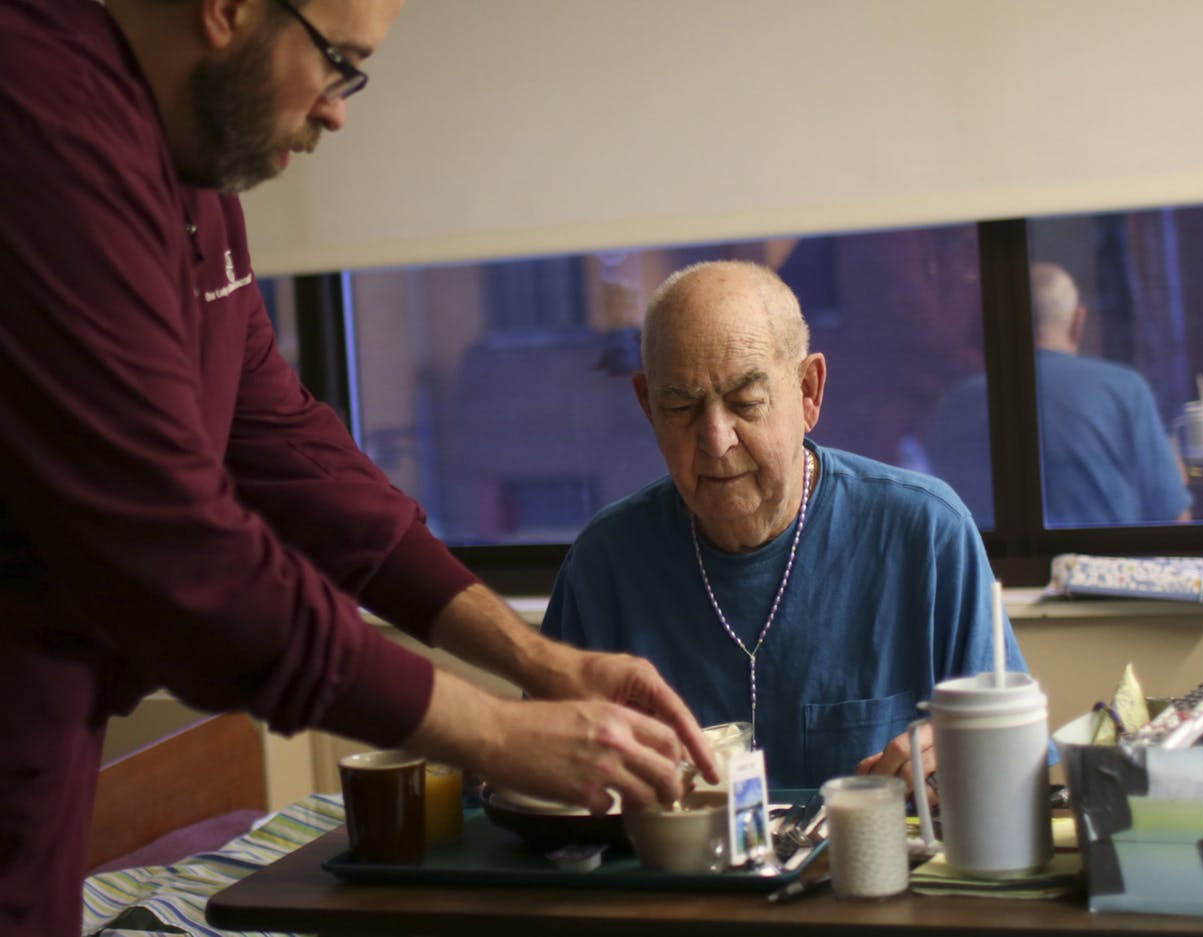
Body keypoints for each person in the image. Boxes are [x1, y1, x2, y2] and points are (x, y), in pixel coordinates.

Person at [0, 2, 714, 932]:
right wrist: (497, 734)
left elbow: (286, 447)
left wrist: (542, 662)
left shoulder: (192, 173)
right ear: (227, 10)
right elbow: (184, 557)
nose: (340, 111)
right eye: (339, 62)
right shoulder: (41, 128)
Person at [541, 260, 1033, 790]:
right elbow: (543, 777)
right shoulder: (606, 562)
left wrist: (971, 761)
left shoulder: (925, 534)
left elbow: (1020, 766)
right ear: (647, 405)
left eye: (746, 403)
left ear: (808, 391)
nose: (716, 440)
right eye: (680, 406)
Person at [926, 262, 1192, 528]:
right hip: (1106, 565)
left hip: (993, 568)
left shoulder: (956, 403)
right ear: (1078, 321)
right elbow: (1175, 518)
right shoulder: (1126, 389)